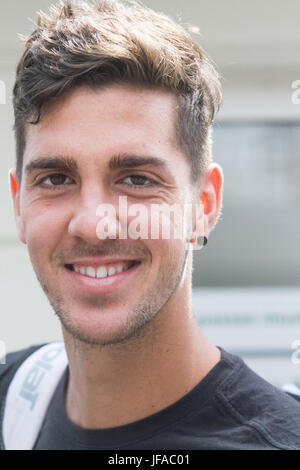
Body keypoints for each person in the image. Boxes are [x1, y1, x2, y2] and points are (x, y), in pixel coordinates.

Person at [1, 0, 300, 451]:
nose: (93, 224)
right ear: (19, 203)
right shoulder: (12, 402)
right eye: (56, 179)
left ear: (204, 203)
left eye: (137, 179)